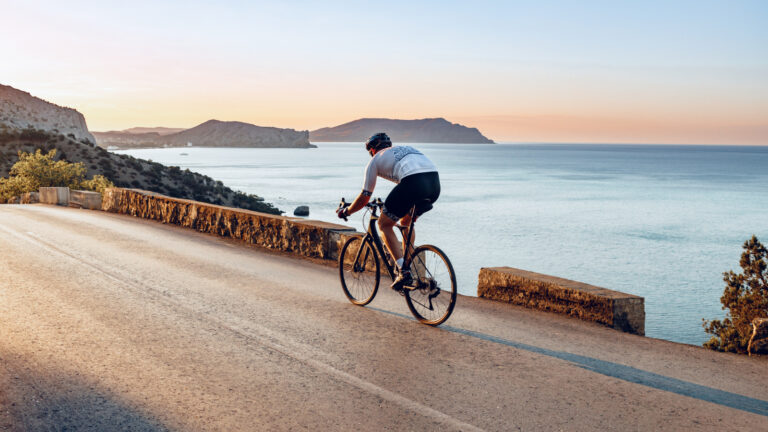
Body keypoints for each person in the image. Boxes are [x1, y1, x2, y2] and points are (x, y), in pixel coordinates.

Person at [337, 132, 440, 292]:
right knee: (405, 222)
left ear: (372, 150)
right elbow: (406, 185)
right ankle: (408, 263)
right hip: (434, 184)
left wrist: (347, 212)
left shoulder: (374, 161)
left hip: (413, 183)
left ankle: (403, 271)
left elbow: (365, 196)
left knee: (384, 224)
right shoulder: (404, 149)